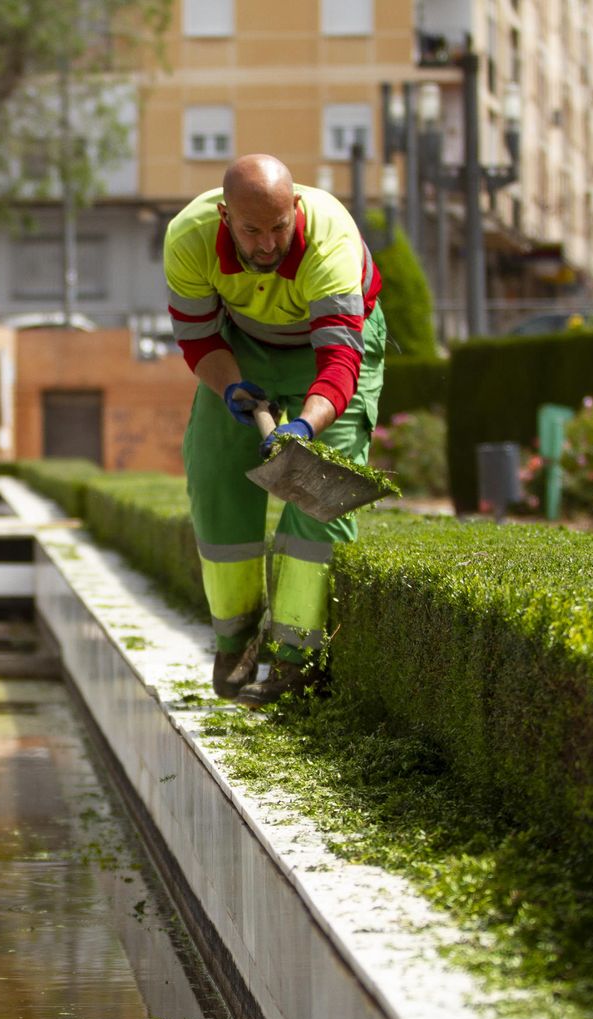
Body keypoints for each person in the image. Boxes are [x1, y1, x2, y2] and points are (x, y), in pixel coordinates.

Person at [163, 154, 386, 704]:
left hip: (330, 349)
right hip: (242, 346)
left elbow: (338, 363)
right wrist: (232, 388)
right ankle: (236, 642)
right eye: (251, 230)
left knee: (320, 495)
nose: (267, 245)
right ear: (224, 217)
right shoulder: (188, 238)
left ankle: (297, 661)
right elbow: (199, 341)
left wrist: (306, 427)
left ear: (297, 209)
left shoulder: (330, 237)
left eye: (280, 227)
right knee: (214, 474)